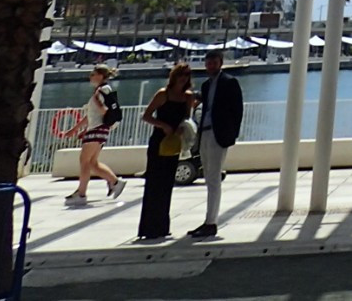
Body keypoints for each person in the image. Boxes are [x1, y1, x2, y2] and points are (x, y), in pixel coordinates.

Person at [189, 50, 243, 238]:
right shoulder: (205, 85)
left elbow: (237, 110)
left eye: (214, 62)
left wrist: (231, 134)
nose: (211, 66)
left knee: (213, 179)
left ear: (220, 63)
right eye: (208, 63)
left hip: (219, 135)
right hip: (204, 133)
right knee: (209, 178)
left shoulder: (229, 82)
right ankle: (208, 221)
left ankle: (210, 222)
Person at [137, 62, 193, 242]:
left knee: (167, 184)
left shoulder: (187, 97)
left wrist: (182, 129)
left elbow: (187, 118)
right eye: (180, 74)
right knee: (154, 184)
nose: (183, 78)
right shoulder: (163, 94)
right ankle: (149, 227)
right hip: (158, 142)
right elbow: (146, 116)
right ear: (174, 76)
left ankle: (162, 225)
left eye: (186, 75)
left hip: (174, 142)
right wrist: (163, 126)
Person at [66, 65, 125, 204]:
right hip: (98, 129)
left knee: (84, 161)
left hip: (97, 129)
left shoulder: (102, 90)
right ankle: (115, 182)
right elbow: (90, 116)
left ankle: (81, 193)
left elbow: (104, 111)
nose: (90, 77)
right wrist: (75, 129)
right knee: (92, 162)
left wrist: (98, 104)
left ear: (100, 76)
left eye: (93, 74)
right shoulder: (100, 91)